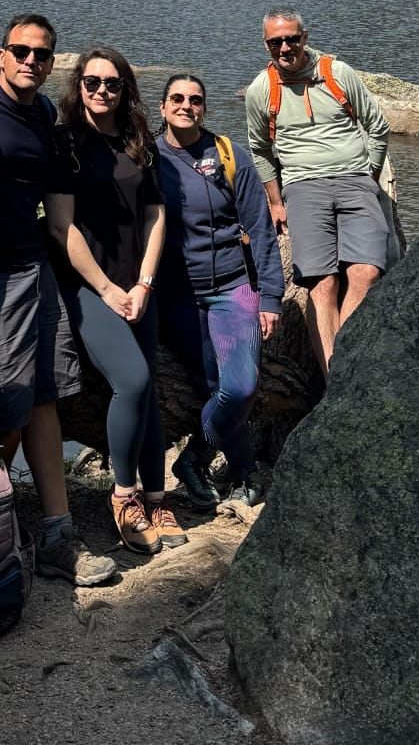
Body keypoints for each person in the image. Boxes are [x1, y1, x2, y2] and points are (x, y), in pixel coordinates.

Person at [0, 14, 115, 588]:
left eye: (42, 54)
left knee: (44, 397)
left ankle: (58, 533)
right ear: (1, 55)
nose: (31, 61)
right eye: (20, 51)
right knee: (3, 409)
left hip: (34, 271)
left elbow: (60, 214)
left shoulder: (45, 118)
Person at [45, 48, 187, 556]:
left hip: (137, 287)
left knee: (147, 393)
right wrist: (107, 289)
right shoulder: (65, 142)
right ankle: (124, 496)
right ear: (78, 86)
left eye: (112, 83)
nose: (102, 91)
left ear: (125, 88)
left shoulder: (138, 141)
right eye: (92, 82)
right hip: (87, 286)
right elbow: (61, 226)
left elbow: (155, 216)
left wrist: (144, 283)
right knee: (133, 381)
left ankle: (157, 497)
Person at [155, 73, 283, 512]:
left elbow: (260, 230)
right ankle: (246, 474)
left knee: (240, 387)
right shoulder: (147, 158)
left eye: (195, 100)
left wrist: (270, 297)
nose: (186, 106)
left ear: (204, 108)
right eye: (177, 98)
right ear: (162, 107)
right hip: (177, 296)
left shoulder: (228, 155)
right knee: (214, 385)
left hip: (232, 288)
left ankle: (194, 457)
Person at [245, 7, 390, 376]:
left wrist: (370, 176)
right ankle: (335, 382)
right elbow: (259, 149)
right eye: (275, 42)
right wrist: (275, 201)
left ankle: (343, 363)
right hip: (303, 186)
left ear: (305, 38)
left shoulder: (337, 73)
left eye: (292, 39)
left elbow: (377, 126)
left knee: (366, 272)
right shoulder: (261, 89)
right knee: (322, 284)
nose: (285, 48)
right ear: (266, 45)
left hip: (354, 179)